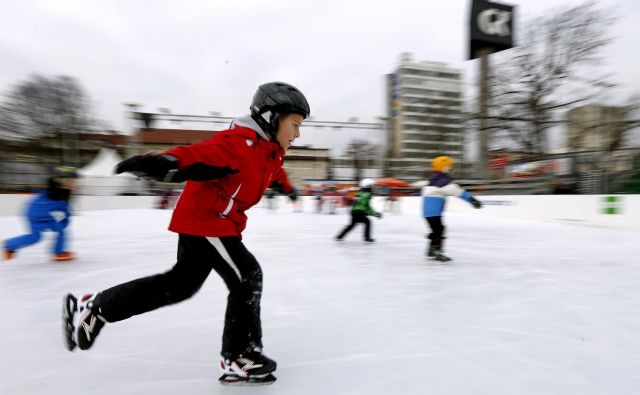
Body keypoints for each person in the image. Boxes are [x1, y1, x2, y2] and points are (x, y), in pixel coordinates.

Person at [62, 82, 309, 385]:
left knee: (180, 286)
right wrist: (165, 163)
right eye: (294, 125)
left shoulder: (270, 154)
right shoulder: (239, 144)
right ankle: (238, 355)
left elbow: (272, 173)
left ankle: (96, 307)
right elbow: (200, 155)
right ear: (272, 118)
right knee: (247, 277)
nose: (297, 134)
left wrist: (288, 188)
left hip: (213, 223)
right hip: (208, 221)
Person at [3, 166, 77, 262]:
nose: (73, 184)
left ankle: (9, 244)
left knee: (36, 237)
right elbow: (63, 207)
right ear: (60, 181)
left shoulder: (54, 191)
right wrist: (66, 218)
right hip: (40, 215)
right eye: (70, 181)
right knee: (58, 230)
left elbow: (61, 206)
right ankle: (59, 253)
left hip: (34, 213)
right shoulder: (58, 192)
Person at [422, 156, 482, 262]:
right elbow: (457, 191)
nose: (450, 169)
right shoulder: (442, 180)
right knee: (439, 230)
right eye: (448, 167)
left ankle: (431, 249)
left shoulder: (434, 178)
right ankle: (437, 252)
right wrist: (472, 200)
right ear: (443, 167)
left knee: (437, 230)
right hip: (434, 212)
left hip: (428, 212)